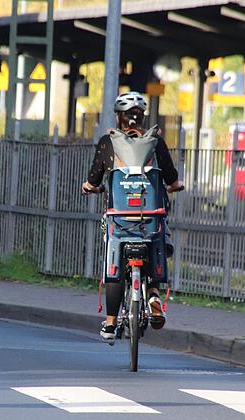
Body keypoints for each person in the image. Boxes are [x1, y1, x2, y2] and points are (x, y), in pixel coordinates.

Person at [81, 92, 184, 341]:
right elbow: (172, 178)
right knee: (157, 242)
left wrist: (90, 186)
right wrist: (172, 186)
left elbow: (94, 178)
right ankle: (153, 295)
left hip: (120, 218)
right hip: (151, 218)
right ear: (141, 117)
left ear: (119, 118)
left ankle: (110, 322)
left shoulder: (108, 142)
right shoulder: (155, 142)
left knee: (115, 263)